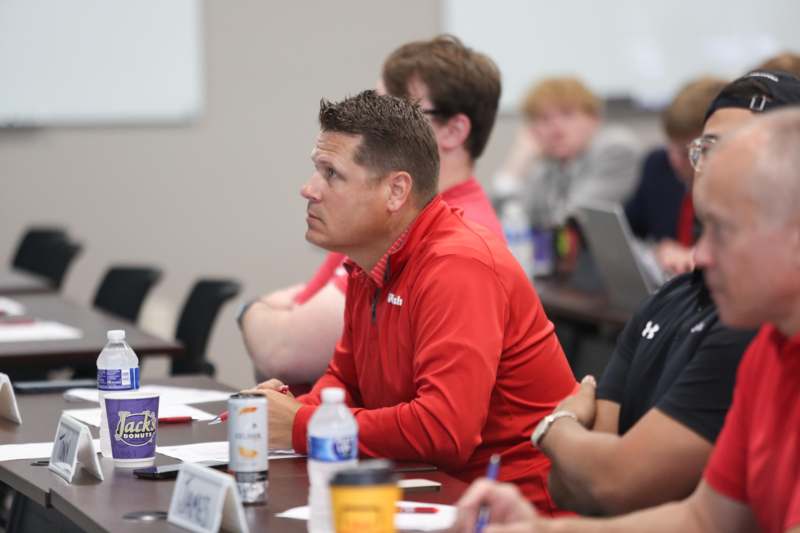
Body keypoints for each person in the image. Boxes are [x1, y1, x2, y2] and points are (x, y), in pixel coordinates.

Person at [449, 105, 800, 533]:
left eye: (722, 231)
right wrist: (544, 530)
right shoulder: (771, 348)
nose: (701, 255)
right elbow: (703, 519)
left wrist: (556, 426)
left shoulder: (752, 339)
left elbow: (619, 482)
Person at [249, 91, 577, 514]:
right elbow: (344, 381)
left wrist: (300, 426)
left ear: (396, 191)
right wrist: (296, 407)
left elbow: (443, 431)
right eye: (316, 169)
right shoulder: (369, 259)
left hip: (510, 511)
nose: (308, 189)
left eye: (331, 174)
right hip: (430, 492)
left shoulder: (459, 267)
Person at [240, 35, 505, 386]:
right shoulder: (384, 212)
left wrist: (250, 311)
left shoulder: (447, 231)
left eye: (397, 110)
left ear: (454, 131)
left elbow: (286, 352)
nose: (369, 125)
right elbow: (308, 313)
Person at [493, 77, 641, 228]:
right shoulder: (547, 166)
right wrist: (517, 163)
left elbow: (572, 218)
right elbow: (509, 221)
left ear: (594, 118)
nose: (556, 129)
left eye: (567, 114)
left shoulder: (615, 150)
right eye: (544, 119)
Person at [625, 77, 726, 276]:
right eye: (669, 146)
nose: (674, 160)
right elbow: (630, 233)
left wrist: (694, 256)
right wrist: (658, 250)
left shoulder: (734, 186)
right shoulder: (657, 164)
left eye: (685, 151)